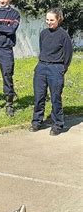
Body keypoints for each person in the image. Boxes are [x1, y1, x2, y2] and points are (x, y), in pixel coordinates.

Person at [29, 8, 73, 136]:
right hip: (42, 67)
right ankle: (36, 122)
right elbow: (42, 48)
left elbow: (68, 55)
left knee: (55, 98)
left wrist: (61, 69)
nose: (49, 22)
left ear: (59, 19)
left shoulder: (64, 35)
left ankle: (57, 124)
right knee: (39, 96)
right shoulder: (43, 33)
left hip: (56, 68)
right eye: (47, 20)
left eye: (52, 20)